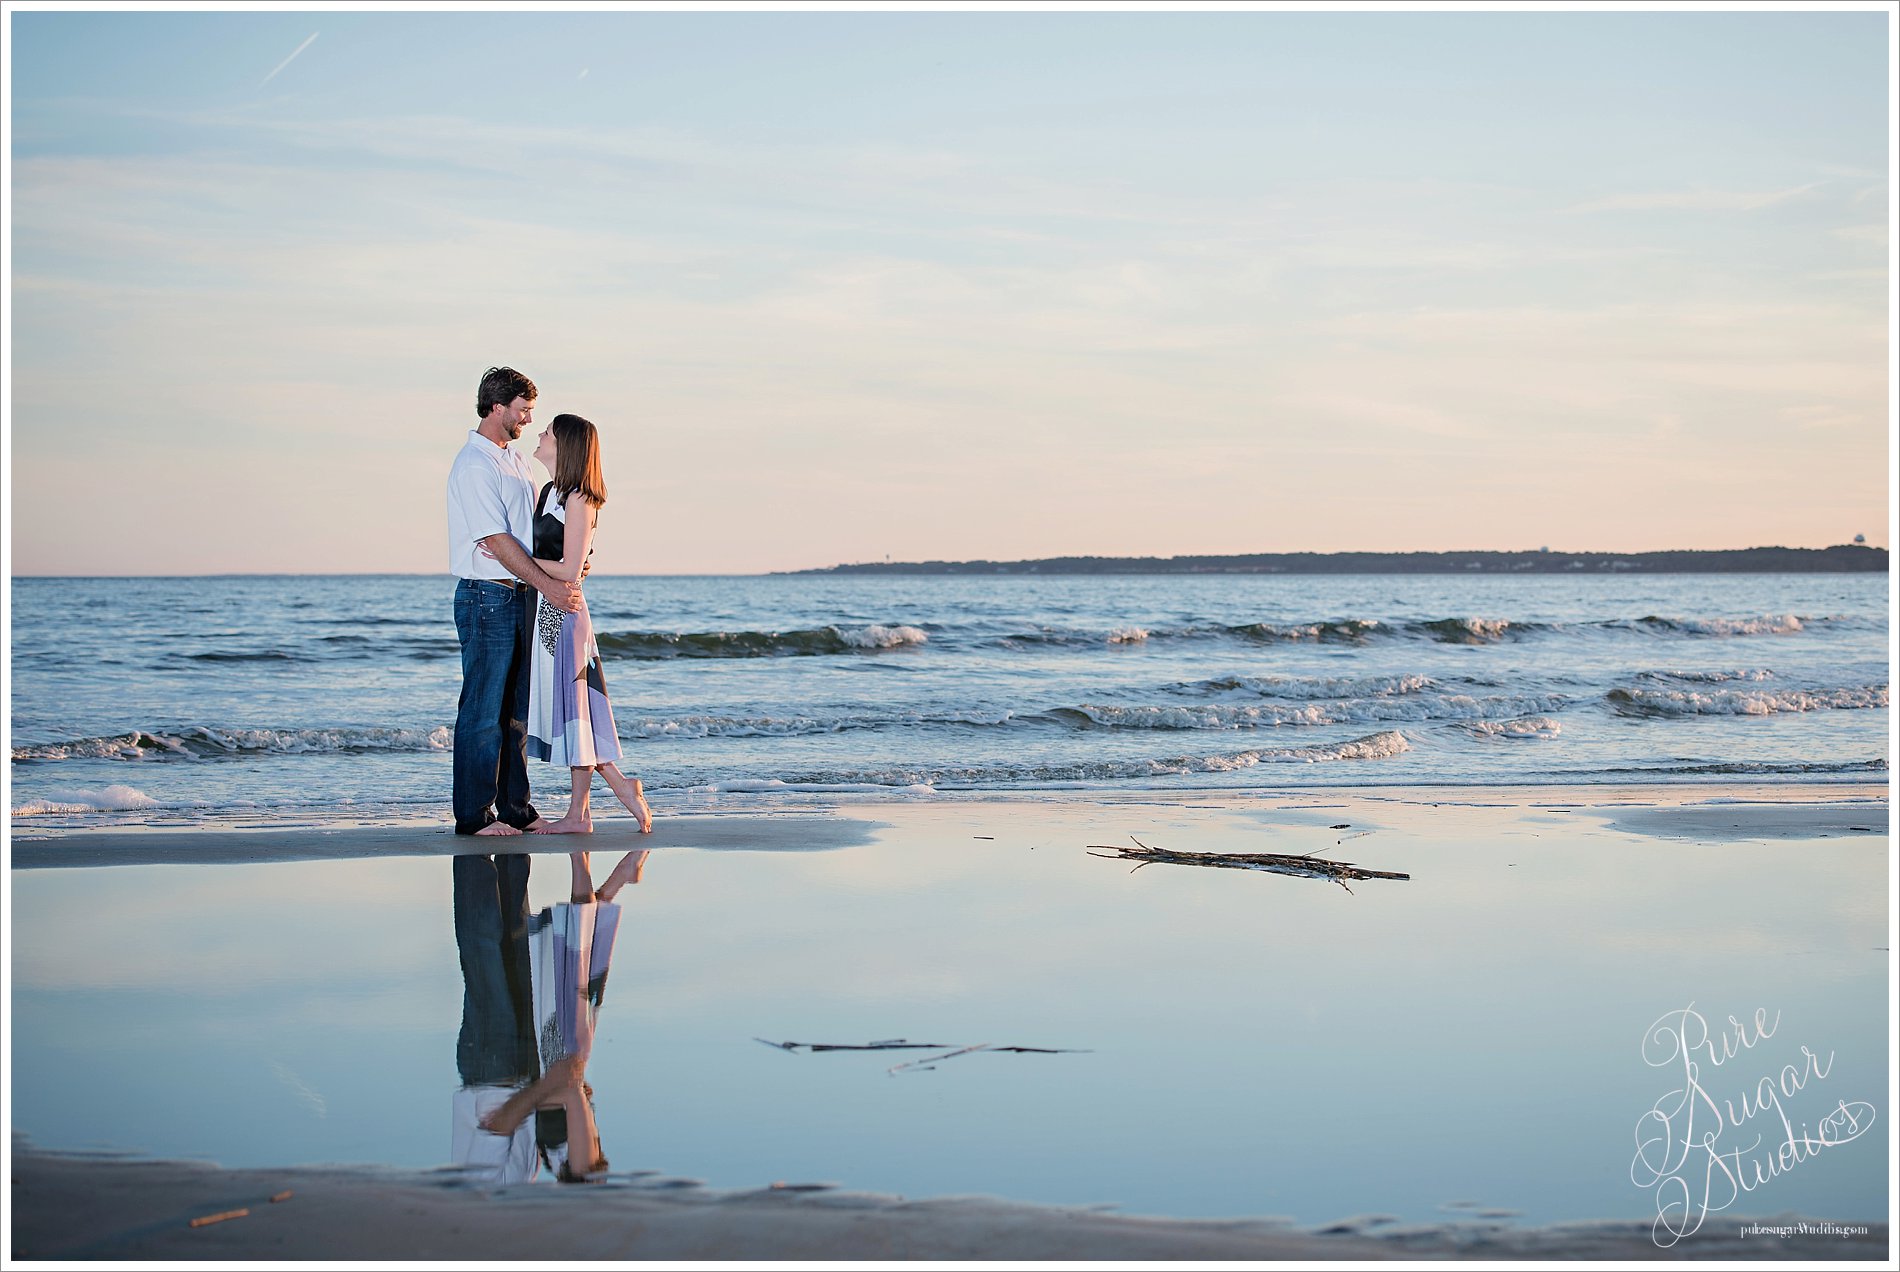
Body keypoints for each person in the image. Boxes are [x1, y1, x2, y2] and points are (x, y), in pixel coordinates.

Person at [447, 367, 582, 837]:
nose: (527, 419)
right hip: (487, 597)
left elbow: (531, 533)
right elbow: (498, 540)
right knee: (483, 710)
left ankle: (515, 810)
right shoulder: (474, 464)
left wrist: (570, 564)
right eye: (523, 410)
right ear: (496, 407)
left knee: (516, 713)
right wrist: (546, 584)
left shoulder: (517, 461)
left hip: (521, 593)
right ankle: (474, 816)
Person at [520, 412, 654, 835]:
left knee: (576, 713)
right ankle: (595, 802)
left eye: (548, 431)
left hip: (565, 616)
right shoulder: (549, 492)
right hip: (547, 611)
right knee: (574, 714)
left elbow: (571, 568)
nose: (540, 434)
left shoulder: (580, 497)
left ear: (567, 445)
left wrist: (510, 563)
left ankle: (590, 807)